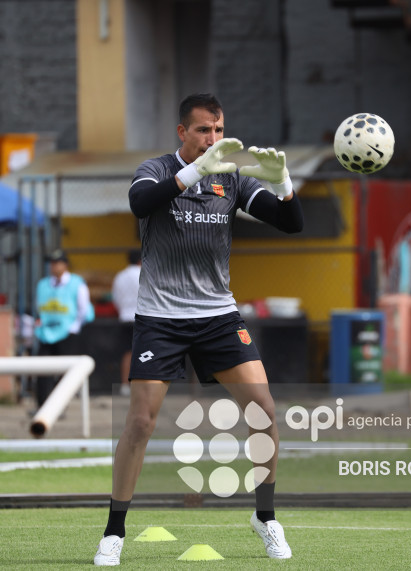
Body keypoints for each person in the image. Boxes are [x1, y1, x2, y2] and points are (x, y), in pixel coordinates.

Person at [93, 93, 303, 566]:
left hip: (217, 318)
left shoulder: (231, 178)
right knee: (141, 423)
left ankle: (265, 518)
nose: (214, 138)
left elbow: (291, 223)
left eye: (219, 129)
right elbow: (141, 203)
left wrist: (284, 183)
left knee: (264, 412)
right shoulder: (156, 169)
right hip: (161, 318)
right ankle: (114, 530)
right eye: (204, 130)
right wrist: (194, 171)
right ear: (182, 133)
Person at [34, 249, 95, 408]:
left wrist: (73, 328)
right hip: (46, 333)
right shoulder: (43, 284)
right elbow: (39, 308)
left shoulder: (76, 283)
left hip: (67, 334)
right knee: (43, 371)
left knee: (65, 373)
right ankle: (42, 405)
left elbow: (83, 309)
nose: (53, 266)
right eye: (51, 263)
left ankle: (59, 406)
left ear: (65, 265)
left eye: (57, 263)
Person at [111, 249, 141, 397]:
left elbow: (115, 299)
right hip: (143, 317)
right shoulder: (145, 275)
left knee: (127, 353)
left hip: (125, 317)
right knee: (146, 353)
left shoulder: (120, 276)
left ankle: (125, 385)